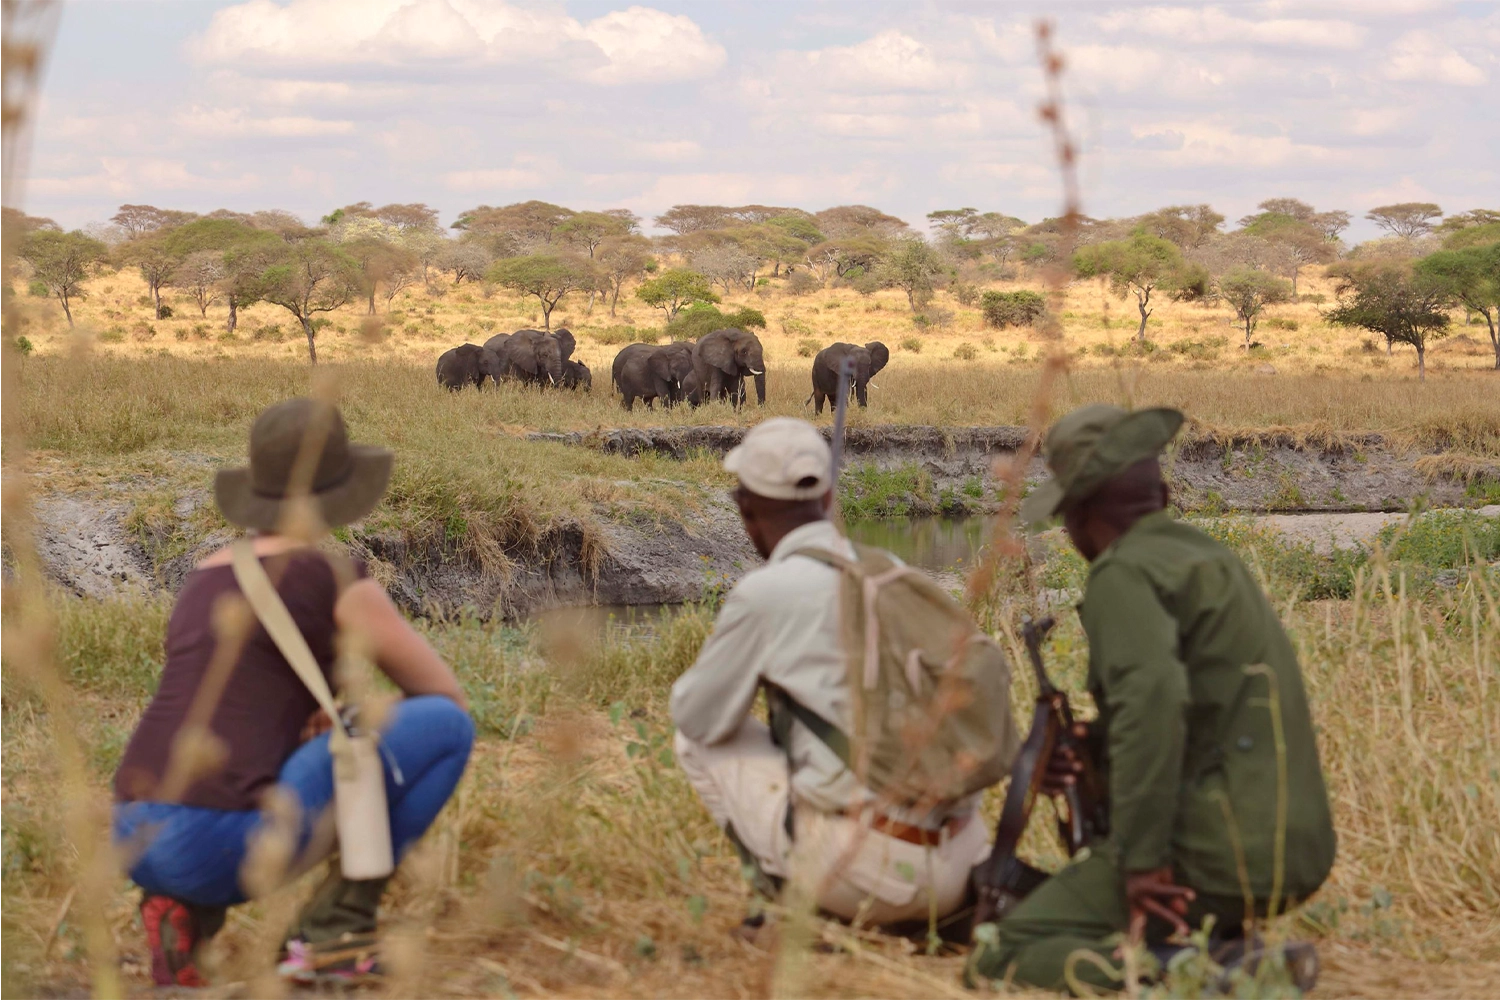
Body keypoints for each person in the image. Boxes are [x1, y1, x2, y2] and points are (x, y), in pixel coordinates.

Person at [969, 404, 1336, 993]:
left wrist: (1142, 863)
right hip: (1300, 847)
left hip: (1222, 849)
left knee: (1000, 951)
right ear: (1161, 495)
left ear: (1080, 513)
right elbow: (1196, 712)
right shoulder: (1209, 558)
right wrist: (1093, 745)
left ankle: (1201, 973)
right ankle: (1214, 945)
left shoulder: (1123, 573)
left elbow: (1153, 706)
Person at [112, 398, 474, 987]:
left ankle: (183, 914)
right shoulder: (333, 577)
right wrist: (354, 717)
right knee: (446, 726)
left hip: (131, 829)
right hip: (218, 841)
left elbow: (233, 704)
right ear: (337, 492)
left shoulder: (205, 573)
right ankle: (331, 936)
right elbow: (442, 696)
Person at [670, 417, 992, 929]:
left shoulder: (766, 591)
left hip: (872, 878)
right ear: (828, 500)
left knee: (697, 742)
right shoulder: (891, 569)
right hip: (965, 869)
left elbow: (697, 717)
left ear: (745, 510)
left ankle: (795, 910)